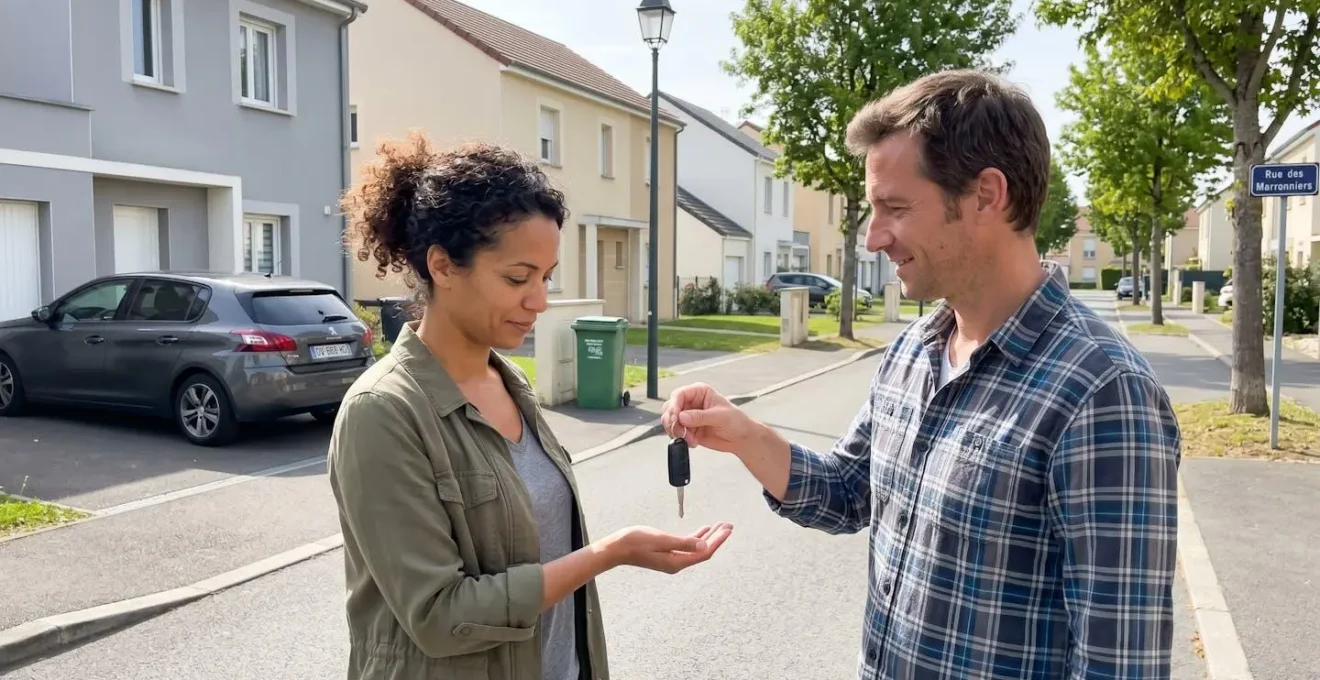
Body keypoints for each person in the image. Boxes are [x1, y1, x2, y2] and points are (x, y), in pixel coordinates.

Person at [662, 69, 1181, 679]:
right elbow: (849, 492)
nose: (873, 236)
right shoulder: (915, 350)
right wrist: (745, 435)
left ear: (987, 195)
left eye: (896, 208)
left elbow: (1120, 664)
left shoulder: (1103, 393)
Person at [329, 133, 734, 680]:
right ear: (444, 266)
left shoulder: (512, 382)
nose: (539, 301)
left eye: (545, 277)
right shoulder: (382, 412)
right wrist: (609, 552)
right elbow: (441, 617)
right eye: (517, 278)